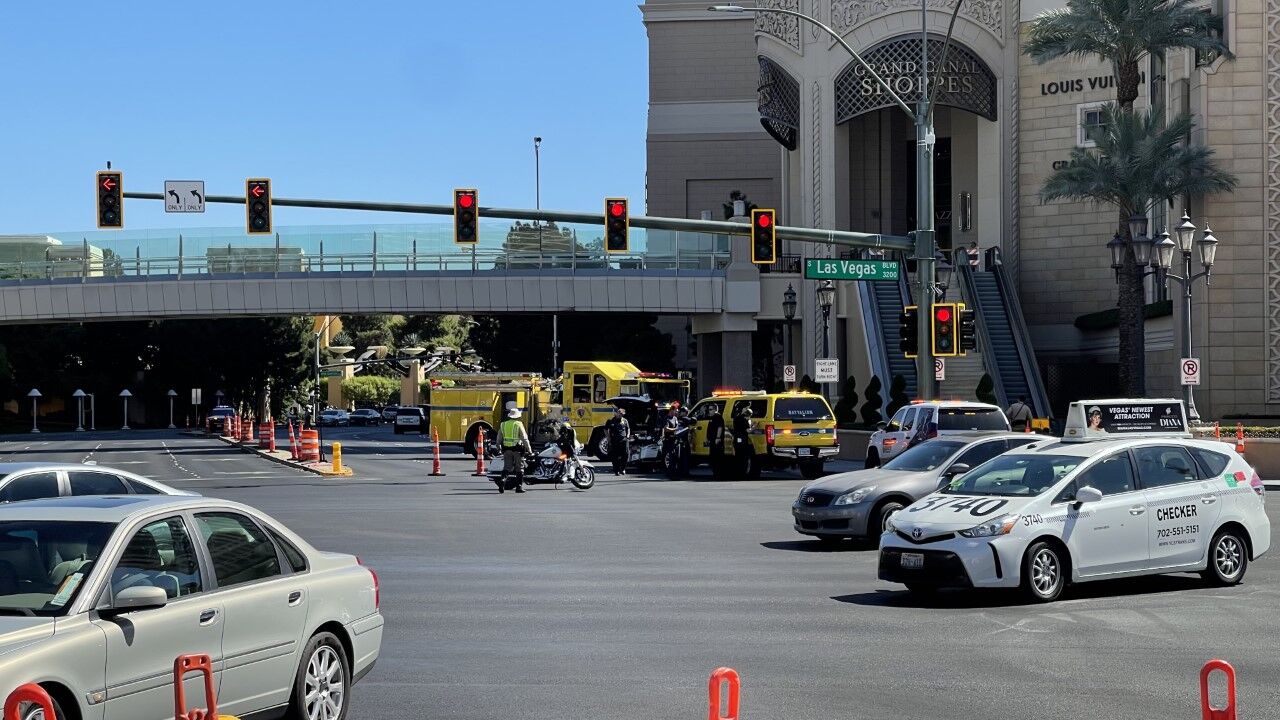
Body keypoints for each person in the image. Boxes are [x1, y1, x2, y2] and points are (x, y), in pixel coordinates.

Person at [496, 408, 530, 494]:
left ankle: (502, 480)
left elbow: (499, 438)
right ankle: (519, 487)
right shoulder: (518, 424)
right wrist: (529, 450)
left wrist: (498, 447)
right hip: (517, 450)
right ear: (518, 416)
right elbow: (524, 438)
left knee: (507, 467)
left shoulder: (503, 424)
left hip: (506, 449)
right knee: (519, 468)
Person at [605, 407, 631, 476]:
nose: (621, 415)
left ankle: (622, 469)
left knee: (626, 454)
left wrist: (628, 436)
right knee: (614, 456)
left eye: (622, 414)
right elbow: (605, 429)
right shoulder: (610, 421)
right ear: (616, 413)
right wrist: (608, 438)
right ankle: (616, 470)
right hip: (614, 440)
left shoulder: (625, 421)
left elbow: (628, 429)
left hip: (624, 440)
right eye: (620, 414)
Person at [732, 406, 756, 478]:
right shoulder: (744, 420)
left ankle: (737, 473)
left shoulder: (736, 418)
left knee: (738, 457)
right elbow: (748, 430)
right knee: (743, 458)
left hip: (736, 440)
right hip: (742, 441)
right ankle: (742, 473)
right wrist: (755, 426)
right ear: (749, 415)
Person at [706, 406, 726, 480]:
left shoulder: (718, 417)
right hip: (712, 440)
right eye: (709, 409)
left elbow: (720, 427)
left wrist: (718, 437)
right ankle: (716, 474)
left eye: (711, 409)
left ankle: (719, 475)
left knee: (717, 458)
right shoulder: (713, 417)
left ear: (715, 410)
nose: (709, 411)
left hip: (716, 441)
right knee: (713, 458)